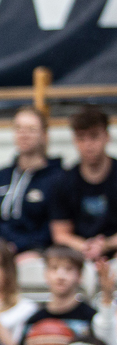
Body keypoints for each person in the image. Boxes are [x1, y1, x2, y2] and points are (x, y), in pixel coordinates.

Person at [0, 106, 63, 260]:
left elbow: (56, 226)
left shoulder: (58, 178)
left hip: (39, 255)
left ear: (45, 135)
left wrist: (31, 250)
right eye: (19, 129)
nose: (24, 135)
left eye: (31, 129)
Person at [16, 245, 97, 345]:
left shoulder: (91, 317)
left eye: (68, 269)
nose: (60, 276)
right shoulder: (34, 319)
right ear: (46, 274)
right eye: (54, 268)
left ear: (80, 276)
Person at [51, 106, 117, 263]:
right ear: (74, 140)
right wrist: (86, 246)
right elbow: (60, 233)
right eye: (81, 138)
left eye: (94, 136)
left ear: (107, 137)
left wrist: (106, 245)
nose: (88, 145)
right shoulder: (63, 180)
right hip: (78, 255)